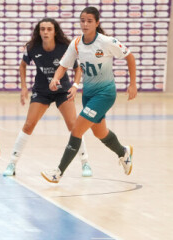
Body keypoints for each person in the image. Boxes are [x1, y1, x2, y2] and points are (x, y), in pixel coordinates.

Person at [41, 7, 137, 183]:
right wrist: (55, 78)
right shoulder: (76, 43)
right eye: (82, 20)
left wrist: (132, 84)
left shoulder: (107, 42)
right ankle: (123, 152)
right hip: (89, 95)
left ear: (97, 23)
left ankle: (58, 172)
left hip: (105, 93)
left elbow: (130, 57)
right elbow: (63, 65)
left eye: (89, 21)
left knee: (77, 129)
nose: (85, 24)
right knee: (101, 133)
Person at [3, 18, 92, 177]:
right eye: (42, 29)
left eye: (49, 29)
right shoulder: (32, 47)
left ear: (55, 31)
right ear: (39, 31)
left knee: (73, 125)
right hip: (42, 90)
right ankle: (12, 163)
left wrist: (75, 86)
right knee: (29, 124)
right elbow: (23, 66)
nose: (45, 32)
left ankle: (85, 163)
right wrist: (24, 87)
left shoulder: (66, 47)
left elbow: (78, 68)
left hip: (62, 90)